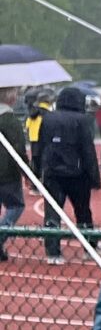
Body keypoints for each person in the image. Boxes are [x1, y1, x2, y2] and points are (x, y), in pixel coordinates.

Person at [38, 84, 101, 263]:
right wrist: (94, 177)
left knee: (52, 214)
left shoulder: (47, 118)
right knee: (82, 212)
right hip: (77, 174)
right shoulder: (83, 120)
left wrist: (38, 171)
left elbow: (41, 147)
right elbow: (88, 150)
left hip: (52, 173)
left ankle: (53, 253)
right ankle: (90, 248)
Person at [0, 93, 27, 258]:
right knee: (16, 206)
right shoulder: (10, 121)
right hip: (7, 172)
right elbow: (19, 149)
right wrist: (28, 172)